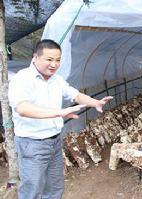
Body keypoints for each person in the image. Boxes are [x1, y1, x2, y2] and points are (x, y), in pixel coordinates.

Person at [8, 39, 113, 199]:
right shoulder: (22, 79)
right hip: (32, 144)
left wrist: (95, 102)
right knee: (32, 189)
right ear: (35, 57)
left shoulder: (56, 80)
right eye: (49, 59)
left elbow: (75, 95)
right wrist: (59, 113)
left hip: (54, 142)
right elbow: (22, 108)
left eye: (57, 60)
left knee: (55, 187)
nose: (54, 64)